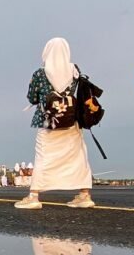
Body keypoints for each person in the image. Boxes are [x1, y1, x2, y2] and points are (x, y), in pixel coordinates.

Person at [15, 38, 95, 210]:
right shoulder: (74, 70)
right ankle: (84, 195)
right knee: (78, 157)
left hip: (48, 121)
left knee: (43, 157)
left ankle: (33, 196)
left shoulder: (40, 73)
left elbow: (32, 98)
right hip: (71, 120)